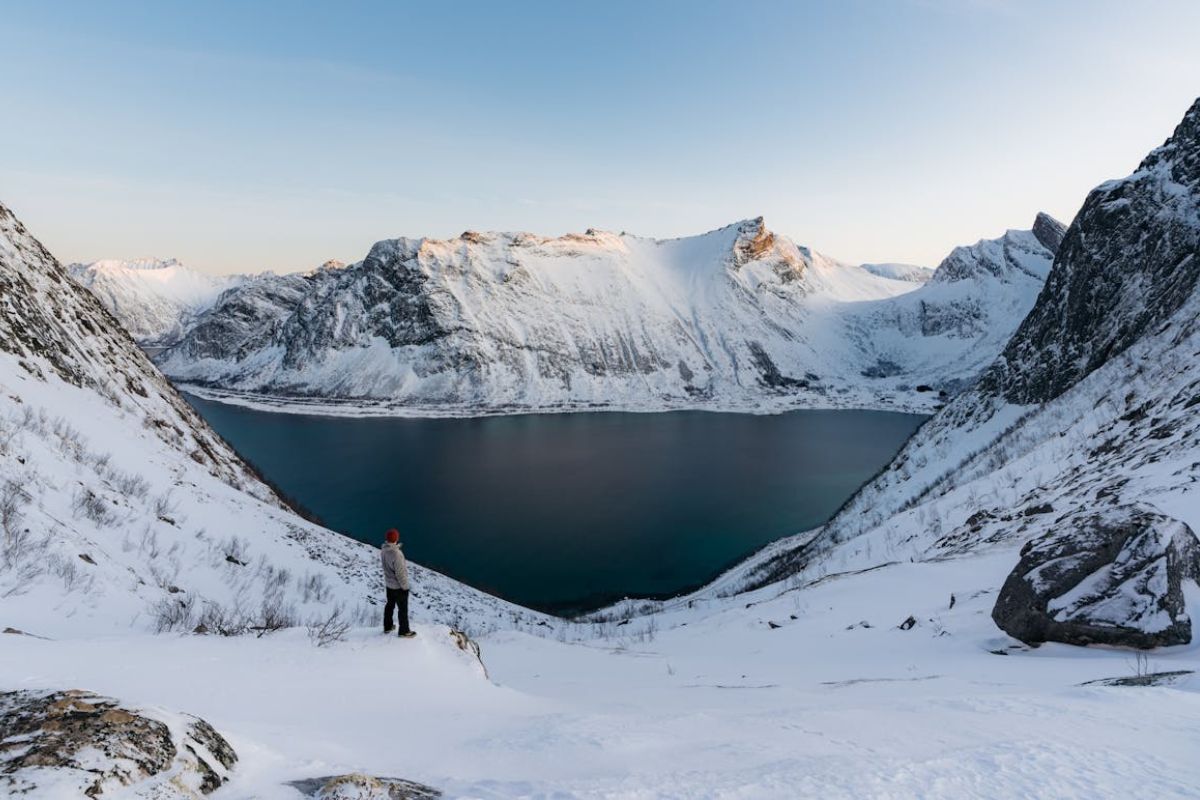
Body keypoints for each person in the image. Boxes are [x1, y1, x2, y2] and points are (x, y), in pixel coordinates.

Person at [381, 528, 415, 638]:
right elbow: (400, 574)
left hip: (389, 585)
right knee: (403, 609)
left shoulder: (384, 550)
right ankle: (404, 631)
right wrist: (405, 587)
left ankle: (388, 626)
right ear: (396, 538)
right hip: (398, 587)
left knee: (389, 605)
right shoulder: (396, 554)